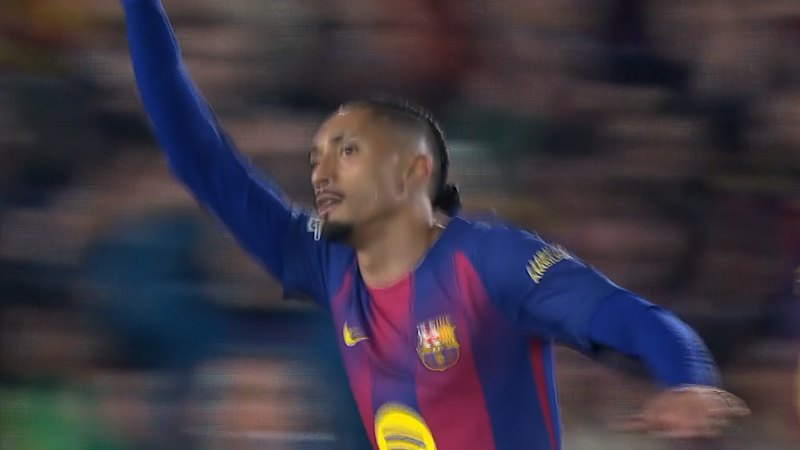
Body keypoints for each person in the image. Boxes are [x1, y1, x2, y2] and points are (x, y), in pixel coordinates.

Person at [119, 0, 749, 448]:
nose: (322, 174)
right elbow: (198, 157)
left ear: (414, 170)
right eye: (315, 159)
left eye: (347, 152)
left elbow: (634, 318)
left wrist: (687, 380)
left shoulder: (493, 262)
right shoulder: (323, 258)